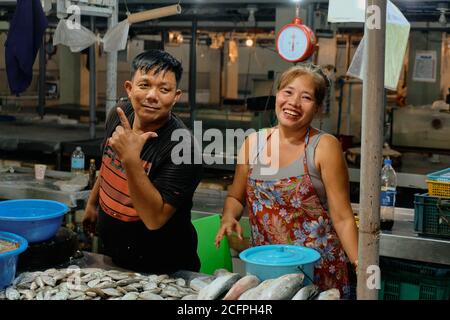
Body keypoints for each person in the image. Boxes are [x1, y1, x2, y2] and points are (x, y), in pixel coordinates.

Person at [215, 64, 358, 298]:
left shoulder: (324, 147)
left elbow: (342, 218)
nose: (293, 102)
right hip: (268, 271)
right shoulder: (254, 143)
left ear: (318, 108)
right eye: (288, 92)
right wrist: (229, 216)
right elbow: (235, 196)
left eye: (306, 97)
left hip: (318, 272)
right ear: (277, 95)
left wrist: (360, 264)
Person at [83, 50, 203, 274]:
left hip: (164, 268)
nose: (152, 96)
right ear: (129, 89)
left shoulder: (184, 149)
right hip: (116, 258)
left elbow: (154, 219)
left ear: (176, 96)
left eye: (164, 89)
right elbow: (107, 164)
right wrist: (92, 202)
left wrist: (131, 159)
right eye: (144, 85)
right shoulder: (119, 115)